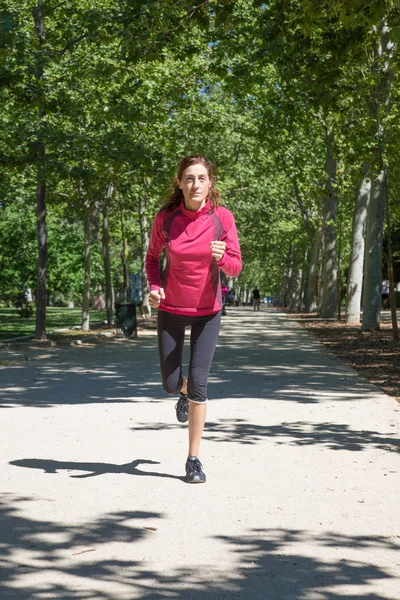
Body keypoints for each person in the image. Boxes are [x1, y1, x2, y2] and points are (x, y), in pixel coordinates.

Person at [145, 155, 242, 483]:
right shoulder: (166, 219)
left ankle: (193, 459)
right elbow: (150, 259)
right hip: (171, 309)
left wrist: (223, 258)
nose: (195, 184)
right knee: (172, 384)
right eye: (189, 178)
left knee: (200, 383)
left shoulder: (222, 218)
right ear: (179, 182)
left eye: (201, 178)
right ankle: (182, 392)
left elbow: (236, 267)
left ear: (210, 183)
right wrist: (155, 288)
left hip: (208, 312)